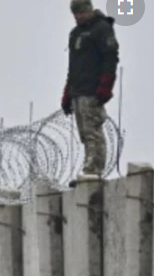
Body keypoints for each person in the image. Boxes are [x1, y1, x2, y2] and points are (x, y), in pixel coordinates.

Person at [61, 0, 119, 182]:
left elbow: (110, 58)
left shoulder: (101, 29)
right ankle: (89, 165)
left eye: (80, 13)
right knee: (85, 133)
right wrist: (67, 92)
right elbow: (73, 66)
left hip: (92, 89)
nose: (77, 17)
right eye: (75, 14)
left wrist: (105, 86)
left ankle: (94, 169)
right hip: (78, 89)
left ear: (88, 10)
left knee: (92, 130)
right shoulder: (76, 34)